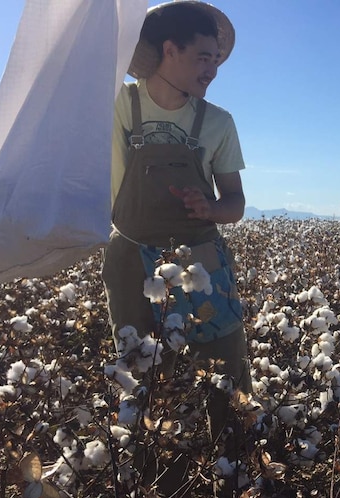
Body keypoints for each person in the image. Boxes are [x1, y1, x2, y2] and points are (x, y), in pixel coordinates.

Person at [102, 1, 251, 407]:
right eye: (204, 57)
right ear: (169, 50)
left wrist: (209, 208)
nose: (213, 70)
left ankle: (233, 463)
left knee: (227, 375)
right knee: (144, 380)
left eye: (216, 60)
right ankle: (155, 468)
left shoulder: (219, 122)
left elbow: (235, 204)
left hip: (200, 256)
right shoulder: (116, 103)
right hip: (131, 260)